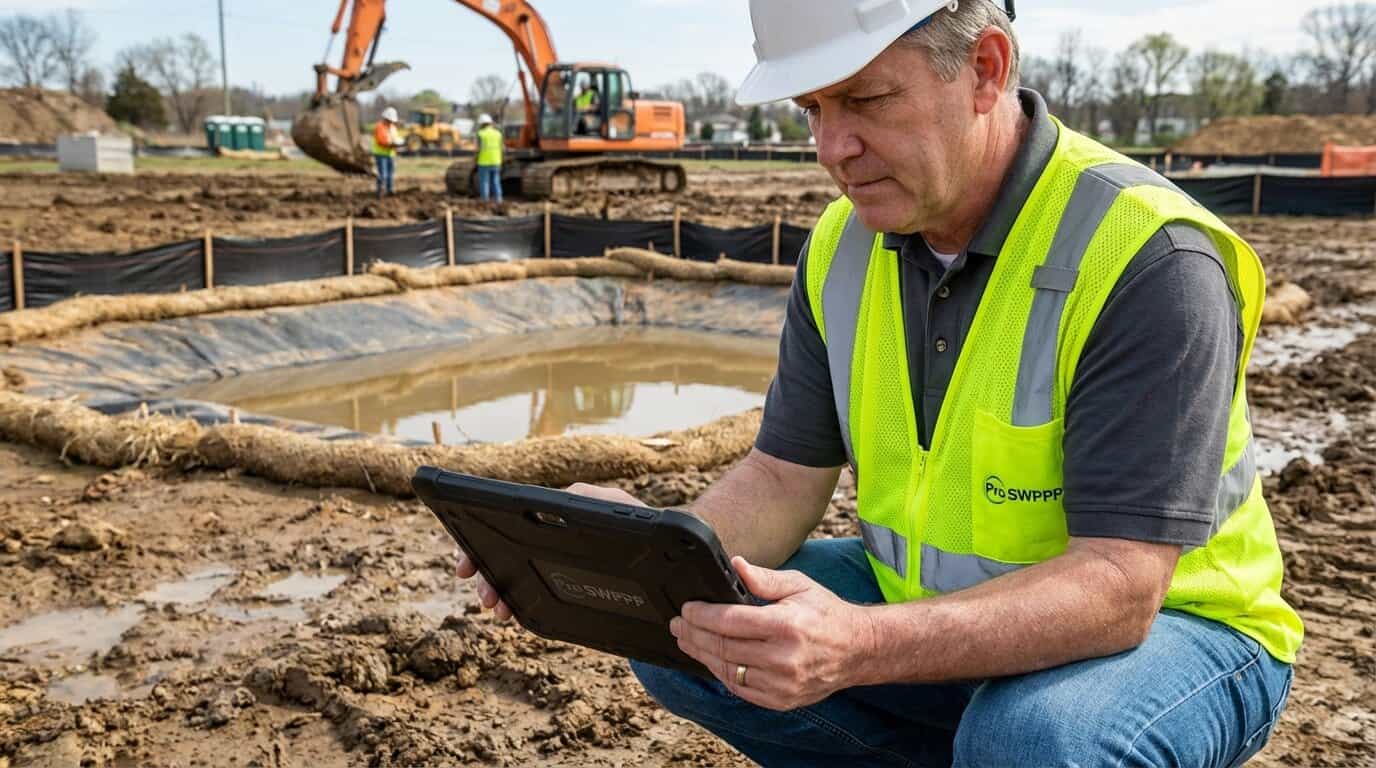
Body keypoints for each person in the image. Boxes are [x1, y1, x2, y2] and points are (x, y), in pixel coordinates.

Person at [456, 1, 1302, 765]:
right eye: (813, 110)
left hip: (1180, 630)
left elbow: (1119, 588)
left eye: (865, 100)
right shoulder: (843, 245)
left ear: (986, 69)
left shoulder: (1145, 256)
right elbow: (784, 478)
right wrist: (648, 553)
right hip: (933, 605)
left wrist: (859, 643)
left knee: (1037, 741)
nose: (833, 150)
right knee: (695, 631)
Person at [371, 106, 403, 199]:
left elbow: (395, 138)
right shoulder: (380, 127)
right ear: (385, 118)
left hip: (390, 154)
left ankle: (390, 190)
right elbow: (382, 141)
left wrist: (397, 145)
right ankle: (380, 191)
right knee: (383, 174)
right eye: (389, 120)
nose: (390, 122)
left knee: (390, 174)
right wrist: (392, 144)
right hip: (381, 154)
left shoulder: (393, 128)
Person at [475, 113, 503, 204]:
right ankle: (499, 199)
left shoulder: (480, 134)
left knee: (484, 181)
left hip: (484, 161)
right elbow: (501, 147)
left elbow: (478, 149)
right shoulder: (498, 134)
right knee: (496, 181)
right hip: (496, 161)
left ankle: (485, 200)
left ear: (481, 124)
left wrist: (475, 158)